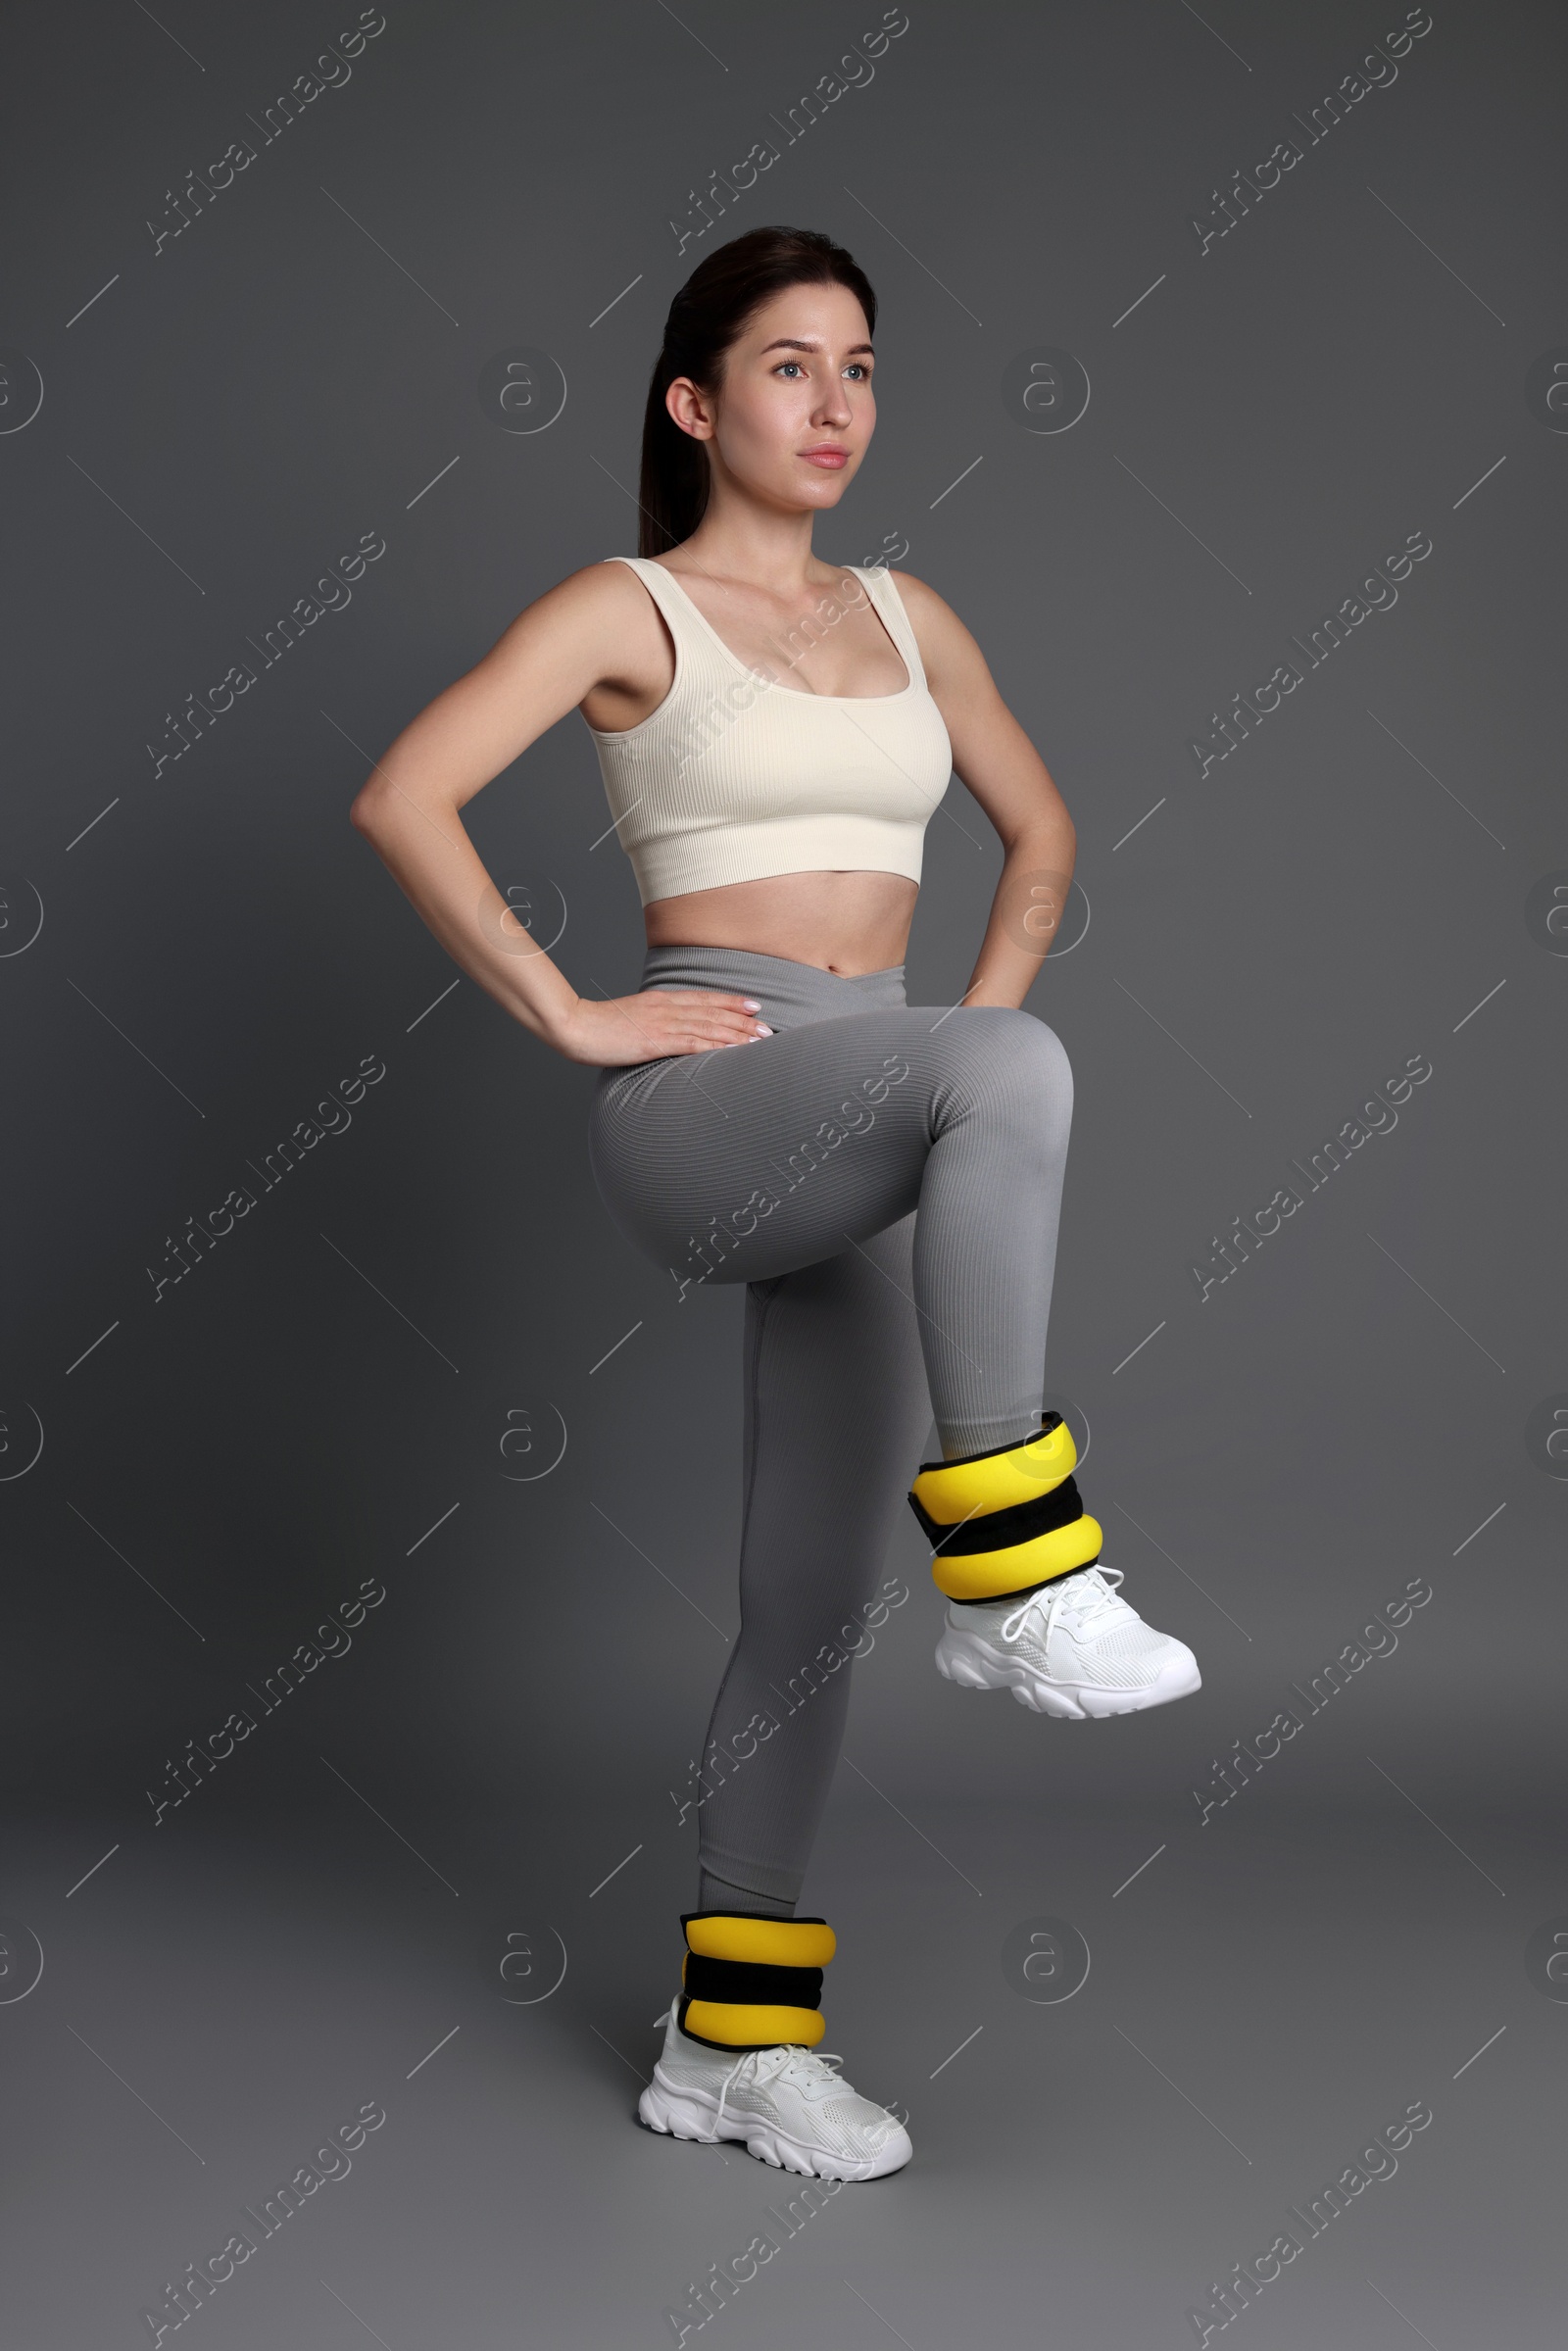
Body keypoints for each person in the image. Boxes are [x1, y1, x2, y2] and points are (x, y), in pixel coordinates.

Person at [350, 223, 1200, 2185]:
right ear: (694, 400)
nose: (835, 406)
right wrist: (571, 1008)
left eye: (863, 369)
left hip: (870, 1092)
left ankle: (730, 2047)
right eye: (791, 367)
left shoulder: (911, 613)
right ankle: (1017, 1573)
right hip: (708, 1103)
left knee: (804, 1606)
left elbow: (1043, 831)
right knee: (1014, 1069)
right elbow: (407, 793)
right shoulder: (624, 607)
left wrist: (949, 1089)